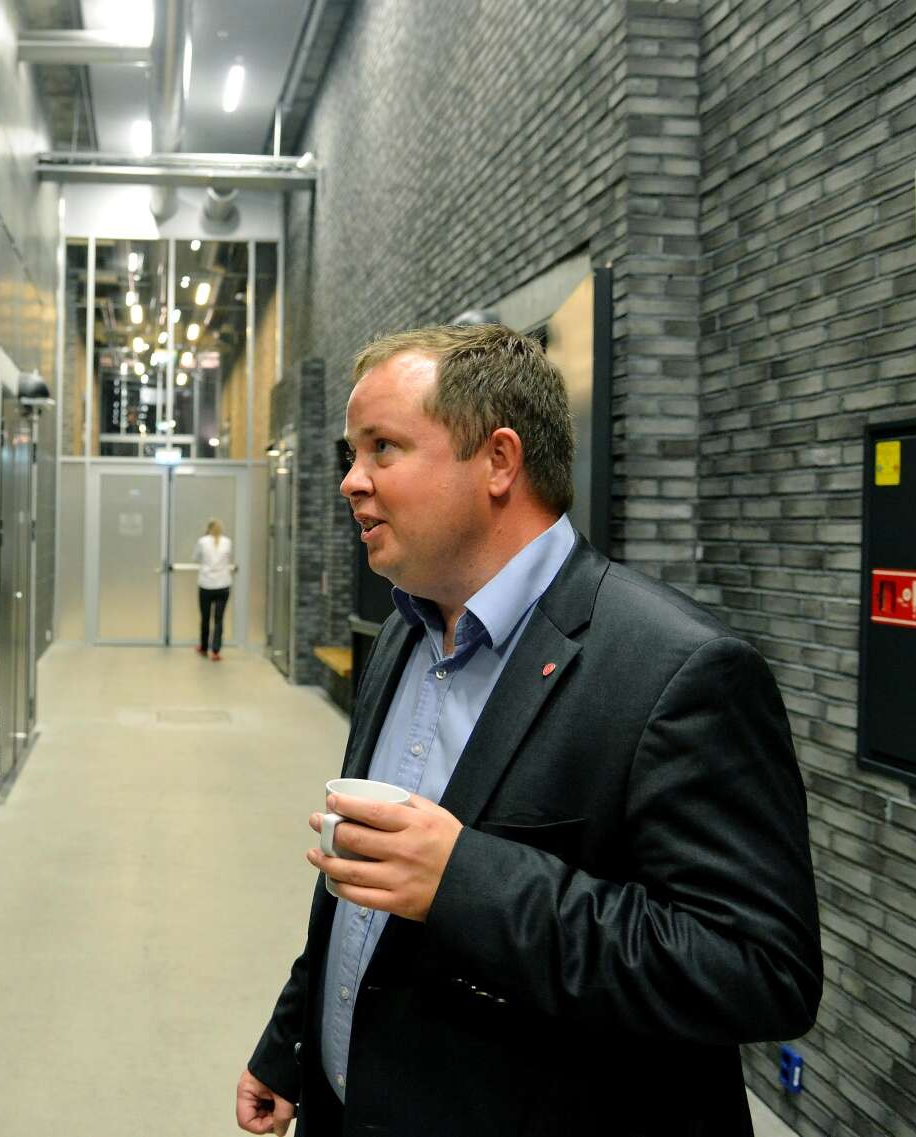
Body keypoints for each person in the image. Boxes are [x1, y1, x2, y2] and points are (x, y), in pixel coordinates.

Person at [234, 324, 821, 1135]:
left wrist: (465, 880)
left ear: (499, 461)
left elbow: (758, 968)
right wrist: (292, 1041)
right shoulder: (404, 631)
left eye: (382, 448)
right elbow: (364, 885)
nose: (350, 481)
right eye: (351, 453)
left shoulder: (678, 670)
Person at [194, 517, 235, 660]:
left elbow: (195, 557)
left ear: (208, 529)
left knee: (205, 618)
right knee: (219, 619)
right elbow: (228, 557)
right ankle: (216, 651)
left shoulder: (202, 541)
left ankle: (204, 647)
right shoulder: (227, 542)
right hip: (223, 586)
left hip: (206, 585)